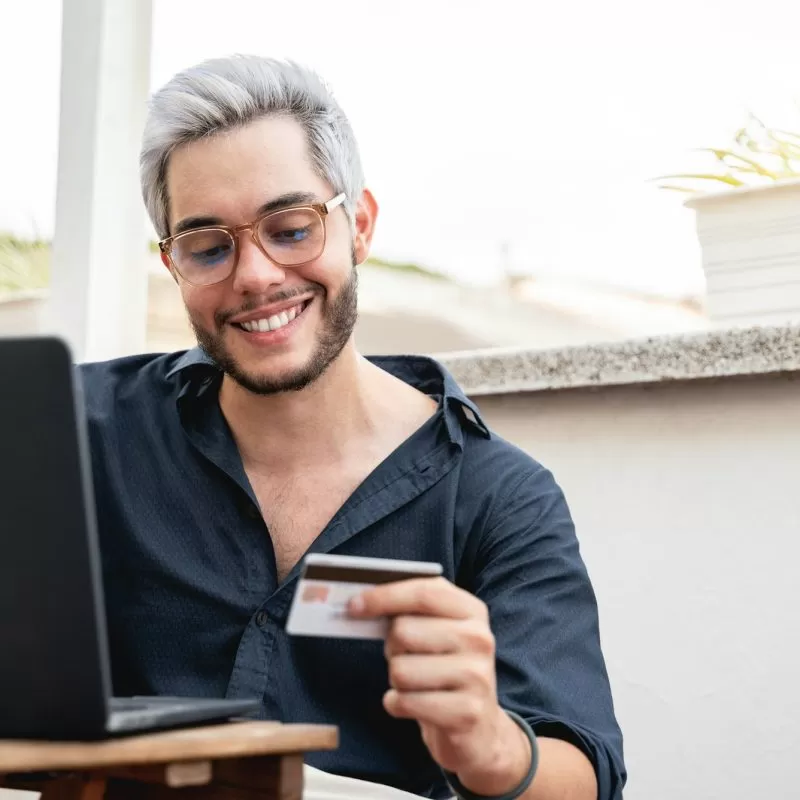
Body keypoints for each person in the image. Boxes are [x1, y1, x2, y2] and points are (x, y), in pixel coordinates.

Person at [81, 55, 625, 800]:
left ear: (359, 225)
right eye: (209, 247)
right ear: (174, 265)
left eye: (292, 228)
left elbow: (582, 771)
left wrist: (491, 747)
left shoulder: (499, 499)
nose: (256, 275)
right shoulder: (79, 436)